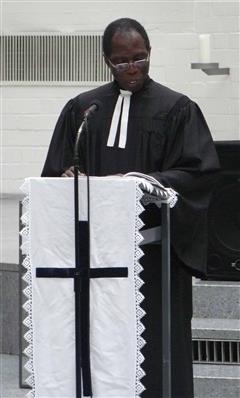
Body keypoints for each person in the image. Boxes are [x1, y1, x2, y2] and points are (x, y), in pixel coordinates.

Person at [42, 18, 220, 397]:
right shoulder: (83, 109)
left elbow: (198, 173)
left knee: (156, 347)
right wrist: (67, 175)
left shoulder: (177, 108)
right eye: (121, 62)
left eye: (139, 58)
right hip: (95, 256)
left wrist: (147, 183)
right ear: (107, 60)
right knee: (101, 345)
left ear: (150, 53)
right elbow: (55, 173)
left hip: (154, 257)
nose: (132, 68)